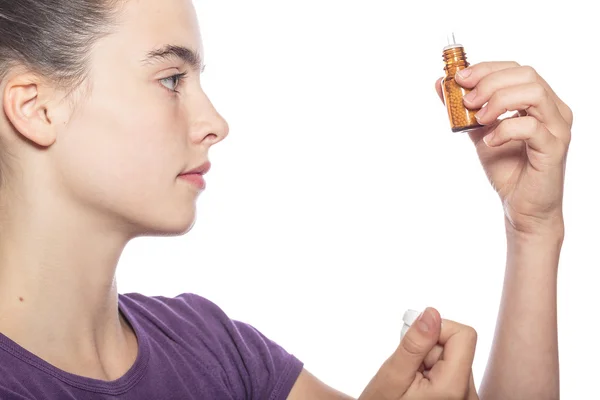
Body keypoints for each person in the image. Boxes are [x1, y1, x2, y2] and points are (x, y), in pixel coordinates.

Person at [0, 0, 571, 399]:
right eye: (172, 79)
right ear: (35, 107)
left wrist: (533, 229)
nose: (216, 123)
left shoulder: (210, 347)